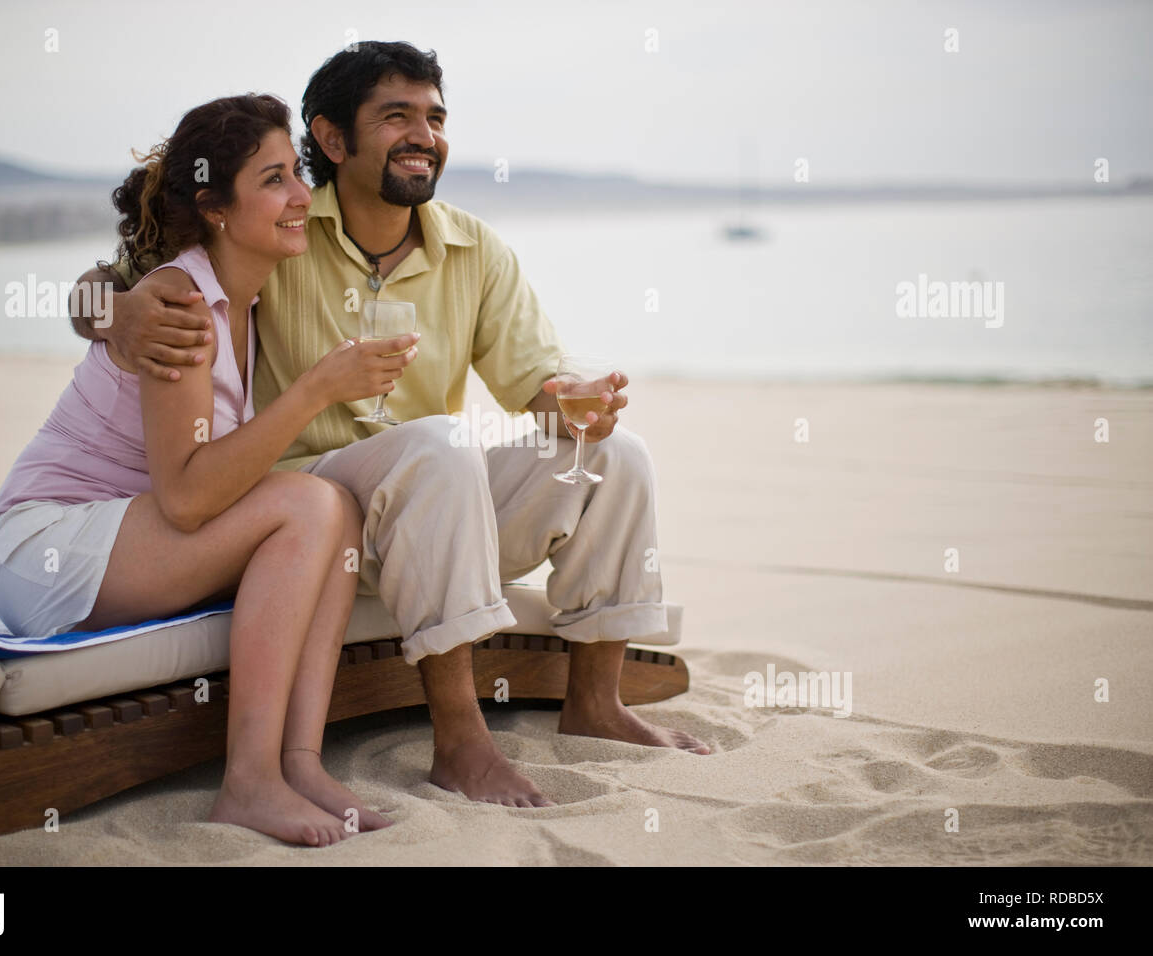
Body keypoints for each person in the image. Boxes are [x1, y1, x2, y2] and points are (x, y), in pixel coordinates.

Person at [70, 43, 712, 810]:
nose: (424, 133)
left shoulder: (474, 249)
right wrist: (117, 314)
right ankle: (461, 741)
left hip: (438, 519)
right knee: (439, 445)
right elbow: (113, 282)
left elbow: (534, 384)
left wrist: (574, 398)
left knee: (614, 454)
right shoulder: (285, 225)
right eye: (396, 116)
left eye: (436, 117)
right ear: (333, 140)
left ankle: (597, 704)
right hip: (307, 521)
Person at [0, 93, 417, 845]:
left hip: (125, 535)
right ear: (217, 208)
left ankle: (298, 762)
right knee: (310, 505)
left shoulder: (247, 294)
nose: (297, 198)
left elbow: (101, 281)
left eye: (297, 175)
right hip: (47, 547)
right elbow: (185, 498)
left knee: (337, 507)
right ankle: (247, 783)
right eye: (274, 180)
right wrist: (319, 387)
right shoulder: (178, 305)